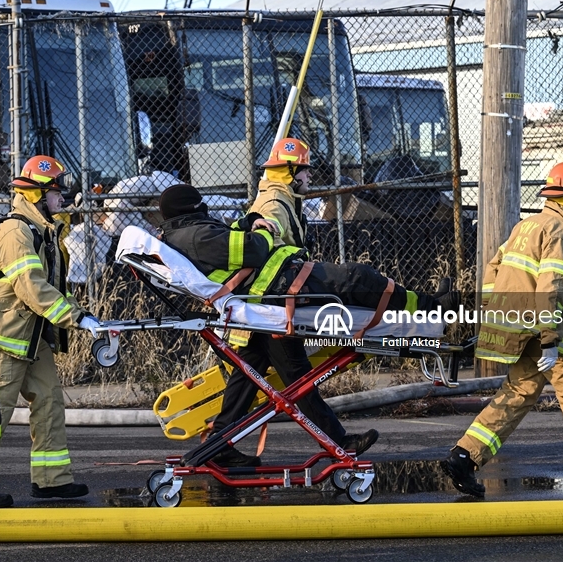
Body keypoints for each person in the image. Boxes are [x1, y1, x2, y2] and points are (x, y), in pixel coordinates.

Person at [157, 183, 455, 467]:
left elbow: (231, 241)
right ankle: (433, 308)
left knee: (253, 379)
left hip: (264, 302)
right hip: (275, 295)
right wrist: (263, 231)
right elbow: (255, 250)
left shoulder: (188, 232)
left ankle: (221, 445)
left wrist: (249, 221)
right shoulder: (197, 236)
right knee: (358, 279)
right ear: (193, 207)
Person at [442, 162, 563, 500]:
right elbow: (551, 289)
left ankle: (464, 457)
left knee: (515, 395)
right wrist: (549, 339)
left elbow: (493, 271)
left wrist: (500, 318)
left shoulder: (526, 226)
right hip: (557, 338)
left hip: (523, 334)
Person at [0, 155, 100, 507]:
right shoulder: (15, 233)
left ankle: (51, 481)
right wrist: (78, 319)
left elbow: (52, 285)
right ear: (37, 195)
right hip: (5, 341)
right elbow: (33, 288)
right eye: (56, 191)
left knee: (49, 401)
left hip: (31, 337)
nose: (62, 197)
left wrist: (80, 314)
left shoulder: (43, 230)